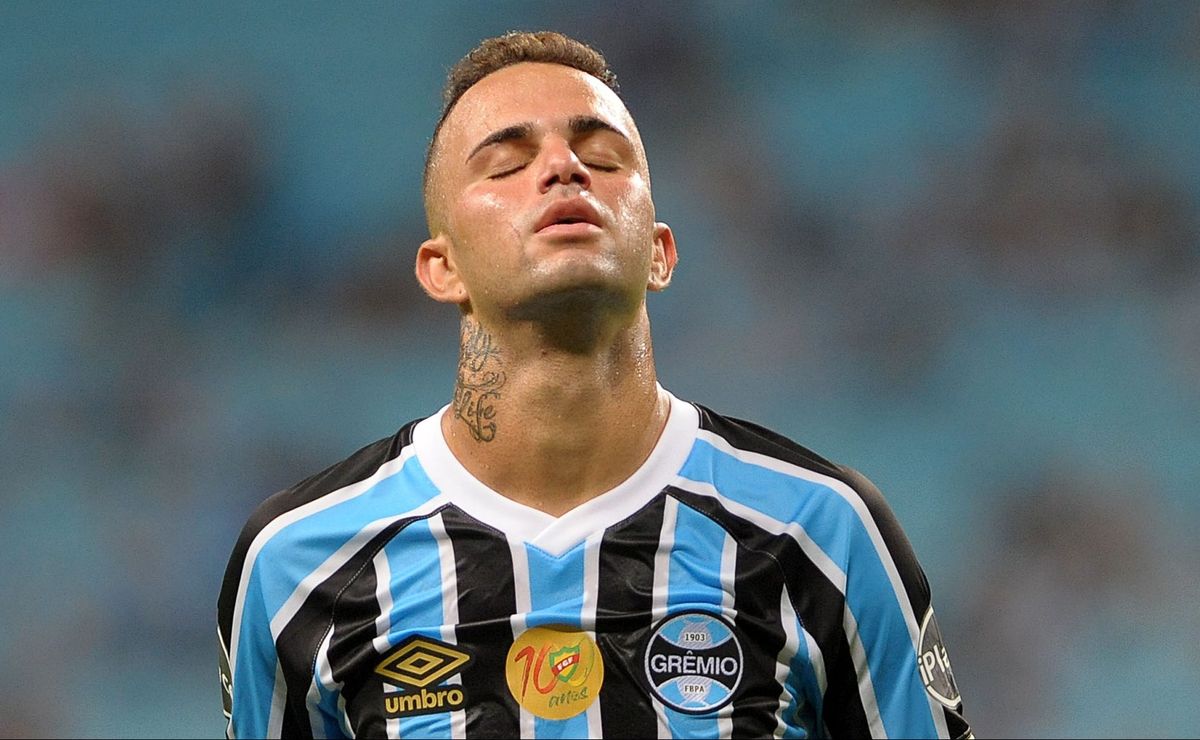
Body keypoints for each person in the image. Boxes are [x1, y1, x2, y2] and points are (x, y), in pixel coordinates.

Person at [217, 31, 972, 740]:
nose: (563, 167)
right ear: (441, 268)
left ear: (660, 253)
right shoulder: (298, 565)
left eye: (604, 158)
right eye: (506, 165)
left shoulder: (821, 534)